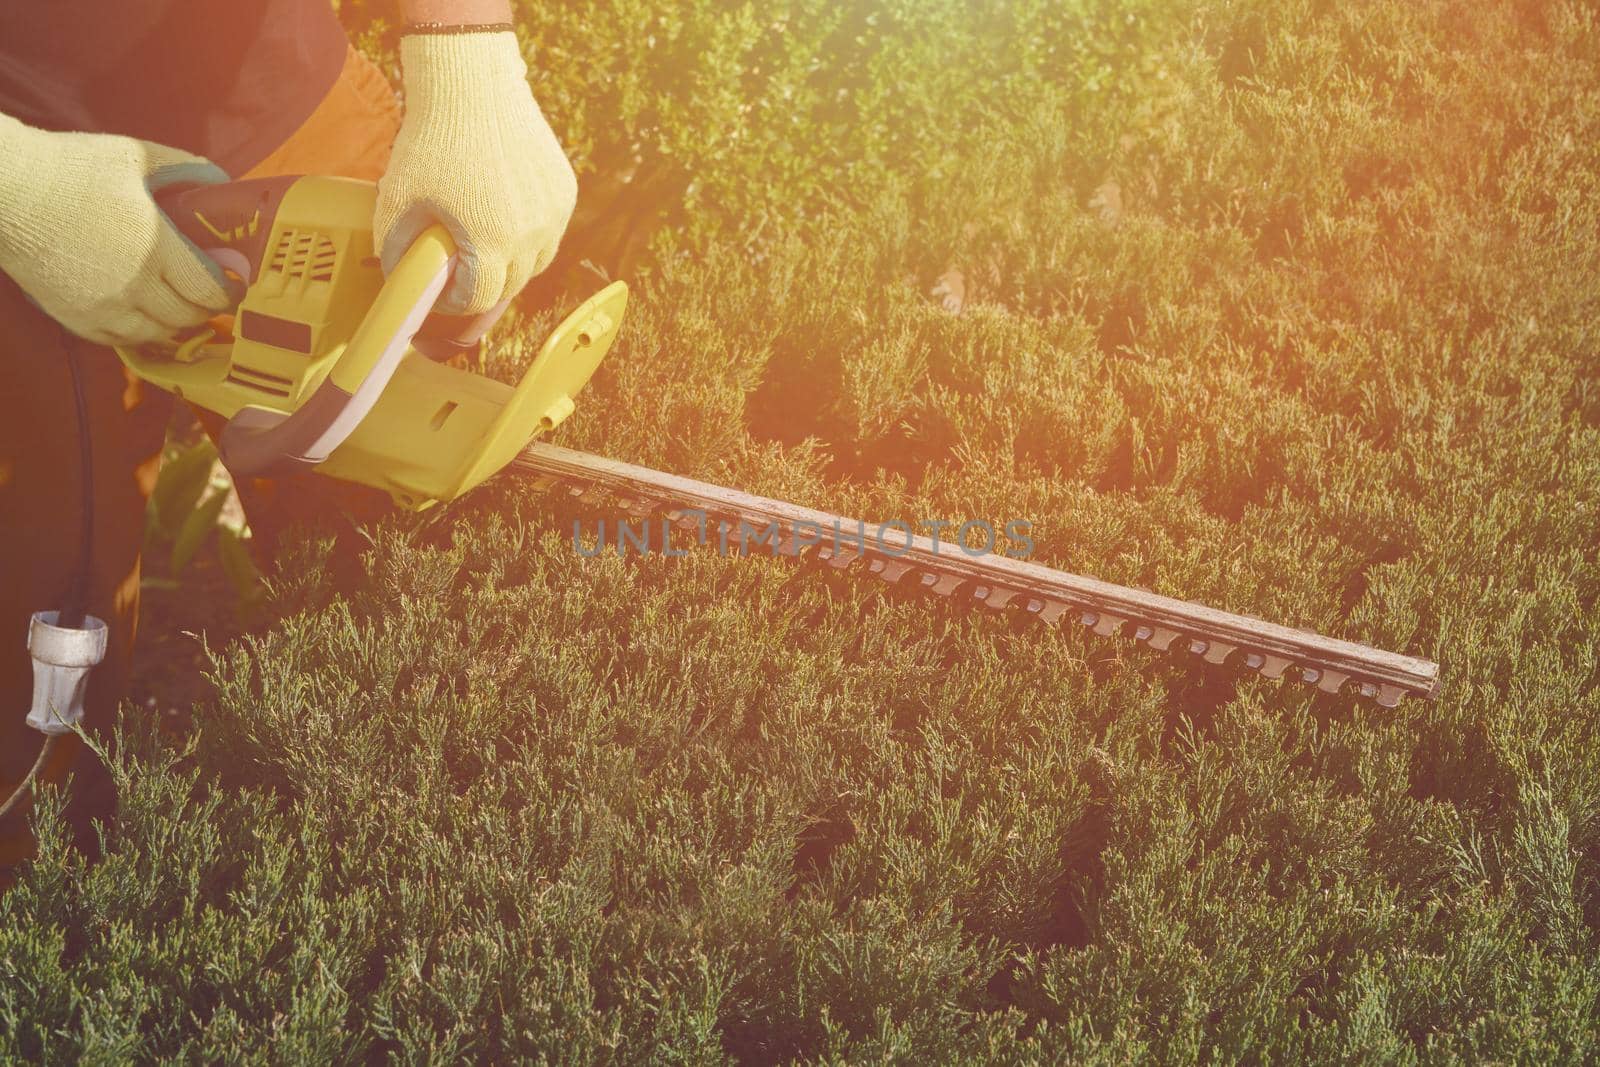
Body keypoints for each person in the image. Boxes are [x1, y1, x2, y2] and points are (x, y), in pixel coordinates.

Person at [0, 0, 579, 871]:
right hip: (29, 195)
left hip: (289, 110)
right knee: (38, 649)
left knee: (444, 569)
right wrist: (17, 188)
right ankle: (46, 905)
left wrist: (468, 56)